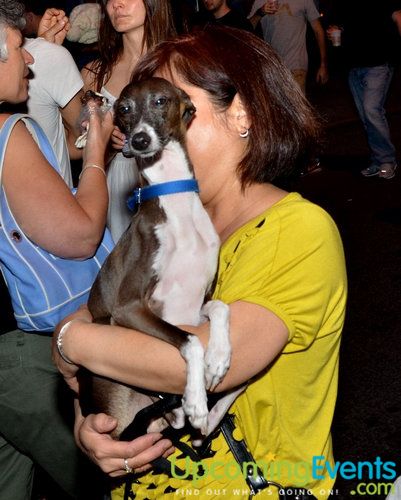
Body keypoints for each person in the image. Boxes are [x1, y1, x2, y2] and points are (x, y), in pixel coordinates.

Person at [53, 26, 347, 499]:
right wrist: (91, 427)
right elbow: (110, 314)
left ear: (241, 114)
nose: (152, 129)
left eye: (170, 106)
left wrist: (69, 340)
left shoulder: (298, 231)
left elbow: (210, 363)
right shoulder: (169, 221)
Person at [0, 2, 172, 498]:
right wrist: (96, 153)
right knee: (109, 468)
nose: (29, 60)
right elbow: (79, 238)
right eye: (17, 49)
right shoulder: (8, 132)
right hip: (21, 342)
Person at [82, 0, 177, 243]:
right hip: (119, 182)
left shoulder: (177, 64)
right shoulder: (94, 74)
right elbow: (79, 149)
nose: (118, 4)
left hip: (170, 178)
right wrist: (105, 142)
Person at [327, 0, 401, 180]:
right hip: (353, 66)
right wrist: (334, 32)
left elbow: (399, 17)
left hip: (378, 64)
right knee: (366, 116)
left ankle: (387, 160)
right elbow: (342, 27)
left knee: (371, 110)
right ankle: (377, 160)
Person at [22, 5, 84, 187]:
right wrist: (46, 53)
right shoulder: (46, 56)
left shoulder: (43, 53)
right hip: (54, 204)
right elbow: (80, 144)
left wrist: (43, 47)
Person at [256, 0, 328, 94]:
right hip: (271, 67)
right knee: (275, 107)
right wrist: (260, 12)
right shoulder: (261, 1)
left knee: (296, 107)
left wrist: (323, 65)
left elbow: (318, 30)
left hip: (297, 65)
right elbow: (246, 26)